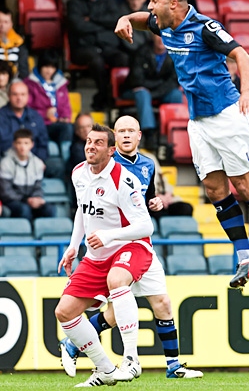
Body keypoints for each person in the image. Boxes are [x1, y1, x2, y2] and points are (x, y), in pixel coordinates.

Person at [114, 0, 249, 288]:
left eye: (154, 1)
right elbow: (139, 19)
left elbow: (243, 55)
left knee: (244, 186)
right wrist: (123, 19)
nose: (150, 7)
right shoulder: (163, 24)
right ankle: (246, 257)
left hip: (227, 114)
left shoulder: (205, 28)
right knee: (215, 191)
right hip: (198, 120)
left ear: (174, 3)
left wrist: (246, 91)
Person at [59, 115, 203, 380]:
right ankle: (114, 360)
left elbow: (144, 206)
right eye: (121, 130)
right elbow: (84, 208)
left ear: (139, 135)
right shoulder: (99, 166)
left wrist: (156, 203)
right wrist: (74, 244)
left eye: (130, 131)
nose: (125, 135)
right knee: (113, 310)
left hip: (136, 243)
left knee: (161, 302)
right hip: (115, 246)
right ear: (115, 139)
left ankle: (170, 365)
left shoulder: (147, 164)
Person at [55, 123, 154, 386]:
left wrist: (109, 236)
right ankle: (105, 370)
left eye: (98, 142)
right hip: (96, 255)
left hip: (131, 246)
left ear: (111, 150)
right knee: (64, 312)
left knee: (117, 280)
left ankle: (131, 359)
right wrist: (73, 245)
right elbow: (82, 210)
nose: (91, 146)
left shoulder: (123, 179)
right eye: (89, 141)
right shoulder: (78, 173)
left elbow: (146, 226)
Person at [66, 0, 129, 111]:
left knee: (123, 58)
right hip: (84, 48)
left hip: (108, 46)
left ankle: (117, 95)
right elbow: (78, 26)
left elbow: (116, 20)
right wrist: (103, 25)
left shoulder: (109, 1)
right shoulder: (73, 3)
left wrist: (92, 19)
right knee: (96, 61)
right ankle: (105, 95)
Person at [121, 33, 184, 150]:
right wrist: (158, 87)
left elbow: (173, 82)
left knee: (176, 94)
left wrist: (154, 92)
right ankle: (149, 134)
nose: (161, 40)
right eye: (159, 37)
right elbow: (137, 80)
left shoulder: (175, 55)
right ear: (153, 38)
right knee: (143, 94)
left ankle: (171, 135)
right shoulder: (141, 52)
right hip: (134, 91)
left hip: (157, 92)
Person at [0, 128, 56, 221]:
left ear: (32, 144)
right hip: (13, 201)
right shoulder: (5, 163)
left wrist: (36, 198)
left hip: (30, 199)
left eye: (26, 143)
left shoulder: (37, 162)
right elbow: (5, 192)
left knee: (50, 210)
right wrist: (26, 200)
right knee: (24, 210)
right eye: (19, 143)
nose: (22, 147)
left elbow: (38, 187)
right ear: (14, 144)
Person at [24, 49, 73, 149]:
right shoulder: (30, 84)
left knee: (69, 128)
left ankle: (66, 158)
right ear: (40, 66)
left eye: (52, 67)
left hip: (58, 123)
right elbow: (26, 108)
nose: (49, 70)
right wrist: (44, 114)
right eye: (46, 66)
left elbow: (66, 106)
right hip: (39, 124)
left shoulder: (61, 84)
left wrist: (65, 117)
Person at [0, 80, 48, 162]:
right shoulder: (1, 116)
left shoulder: (36, 116)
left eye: (23, 94)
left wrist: (39, 161)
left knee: (57, 165)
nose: (19, 98)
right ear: (8, 96)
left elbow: (43, 143)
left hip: (34, 160)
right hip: (6, 161)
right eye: (15, 94)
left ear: (28, 96)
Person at [0, 8, 29, 78]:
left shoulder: (19, 43)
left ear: (11, 24)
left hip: (14, 80)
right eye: (0, 21)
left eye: (6, 22)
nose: (2, 25)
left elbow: (23, 69)